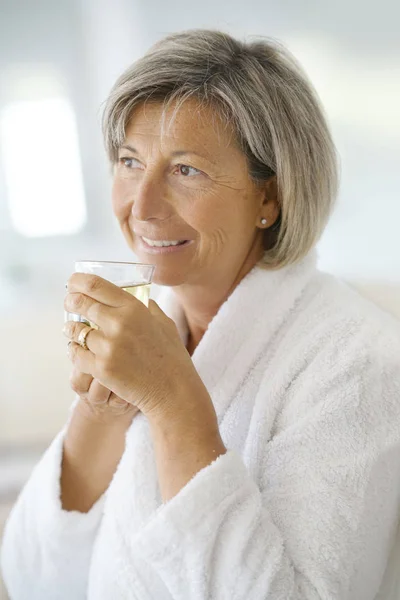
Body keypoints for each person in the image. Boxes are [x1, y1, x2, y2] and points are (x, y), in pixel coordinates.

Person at [2, 28, 400, 600]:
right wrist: (101, 409)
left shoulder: (357, 364)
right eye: (130, 161)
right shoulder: (152, 333)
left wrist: (173, 402)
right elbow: (35, 579)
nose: (140, 206)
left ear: (270, 197)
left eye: (186, 170)